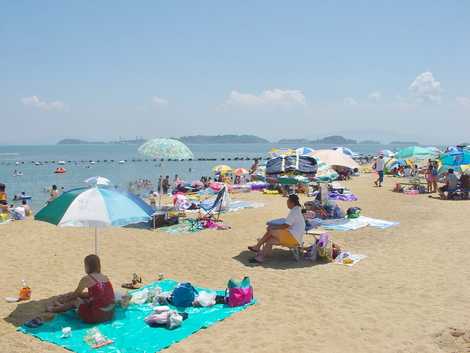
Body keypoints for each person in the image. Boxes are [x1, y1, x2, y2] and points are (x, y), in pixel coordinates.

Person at [47, 255, 115, 324]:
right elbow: (98, 294)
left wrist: (64, 300)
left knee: (76, 301)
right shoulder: (105, 277)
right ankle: (61, 306)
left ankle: (53, 309)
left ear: (87, 266)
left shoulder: (87, 279)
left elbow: (75, 295)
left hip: (96, 317)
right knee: (84, 297)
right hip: (109, 314)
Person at [248, 194, 305, 263]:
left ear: (292, 203)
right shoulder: (297, 209)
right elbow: (288, 224)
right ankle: (260, 257)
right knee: (270, 240)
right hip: (296, 237)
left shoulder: (294, 211)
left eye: (287, 202)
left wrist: (273, 227)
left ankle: (257, 247)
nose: (287, 204)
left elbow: (285, 225)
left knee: (271, 231)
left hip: (293, 238)